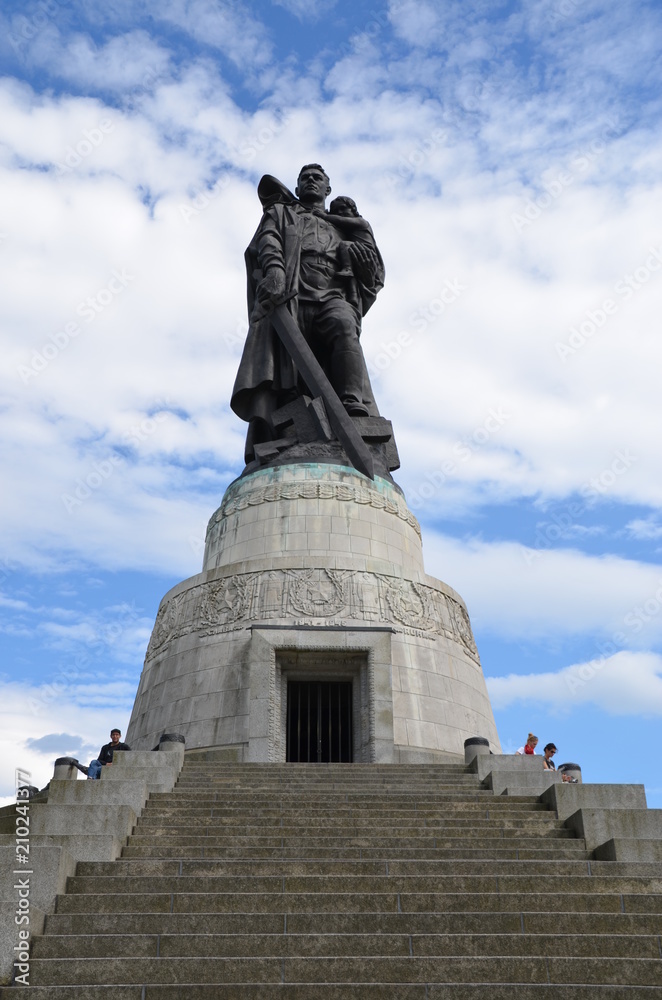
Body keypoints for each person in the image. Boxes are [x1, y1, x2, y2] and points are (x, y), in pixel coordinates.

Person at [231, 164, 385, 463]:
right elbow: (268, 240)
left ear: (328, 188)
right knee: (288, 363)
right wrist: (275, 269)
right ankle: (291, 423)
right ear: (298, 188)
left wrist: (367, 271)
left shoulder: (346, 225)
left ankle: (351, 402)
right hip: (292, 293)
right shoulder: (282, 213)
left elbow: (373, 272)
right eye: (305, 178)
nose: (311, 181)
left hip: (333, 292)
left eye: (318, 178)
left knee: (344, 326)